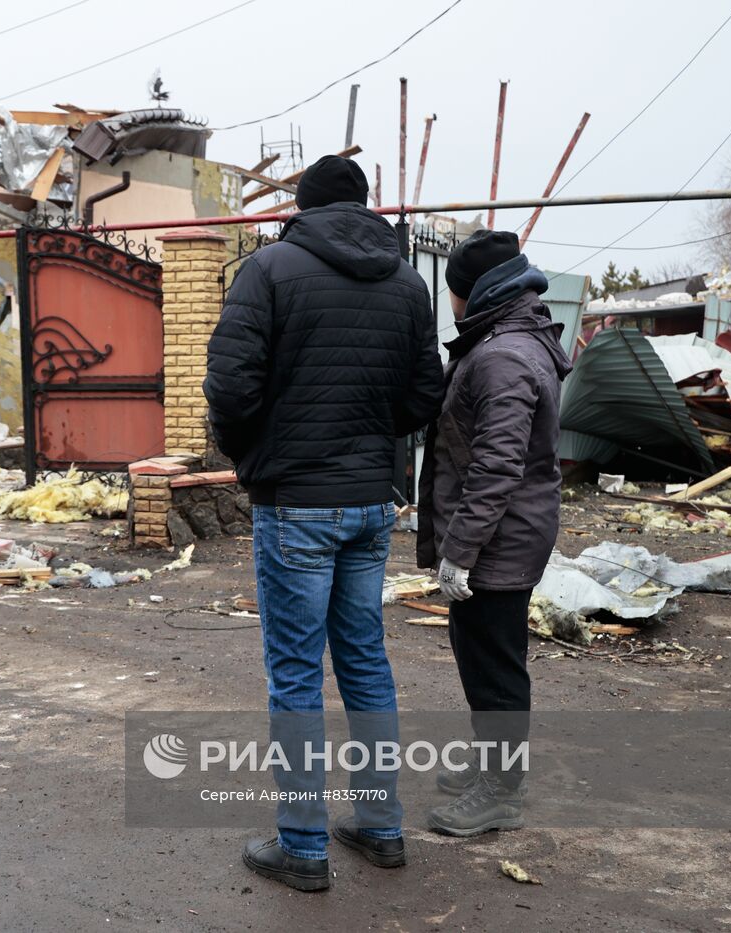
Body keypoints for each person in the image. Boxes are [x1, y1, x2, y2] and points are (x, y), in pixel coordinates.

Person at [205, 154, 443, 891]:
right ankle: (380, 824)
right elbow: (424, 390)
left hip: (297, 503)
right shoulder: (407, 282)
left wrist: (255, 453)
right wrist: (373, 436)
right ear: (364, 208)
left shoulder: (269, 269)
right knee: (366, 663)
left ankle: (303, 846)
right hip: (370, 499)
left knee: (297, 675)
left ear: (303, 207)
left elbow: (229, 385)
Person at [415, 230, 573, 837]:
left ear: (471, 292)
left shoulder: (502, 355)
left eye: (452, 292)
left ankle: (500, 792)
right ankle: (493, 766)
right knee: (484, 657)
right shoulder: (512, 340)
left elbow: (497, 465)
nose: (450, 304)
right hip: (504, 534)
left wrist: (460, 552)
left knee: (495, 668)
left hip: (498, 540)